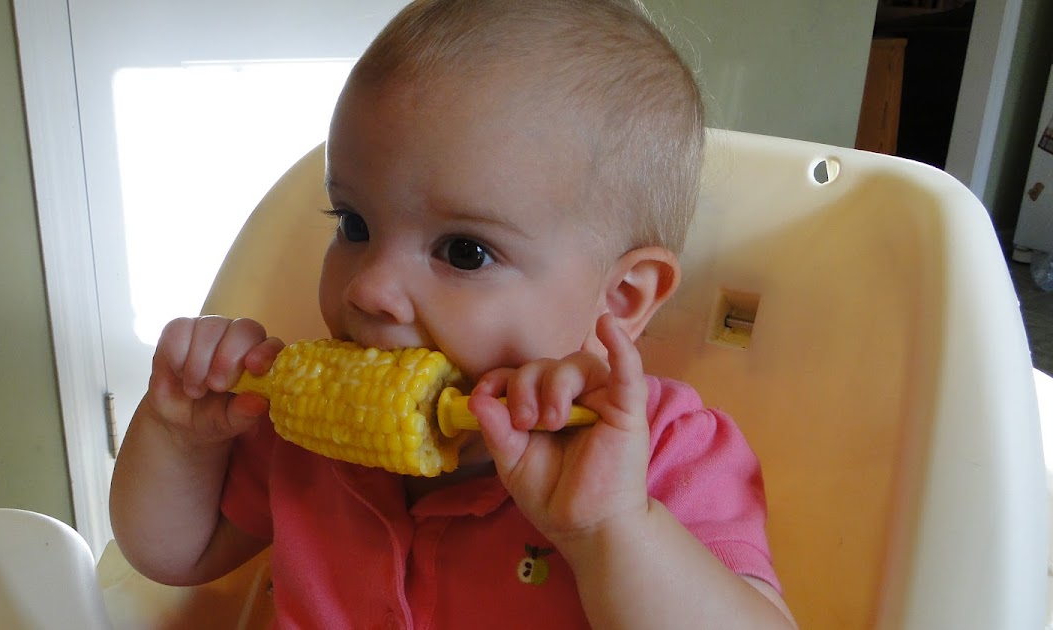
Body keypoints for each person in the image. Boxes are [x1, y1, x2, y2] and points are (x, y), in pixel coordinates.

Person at [110, 0, 796, 627]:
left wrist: (611, 528)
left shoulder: (660, 453)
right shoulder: (300, 445)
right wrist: (179, 436)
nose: (369, 287)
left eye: (465, 252)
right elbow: (176, 557)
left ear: (620, 298)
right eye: (354, 224)